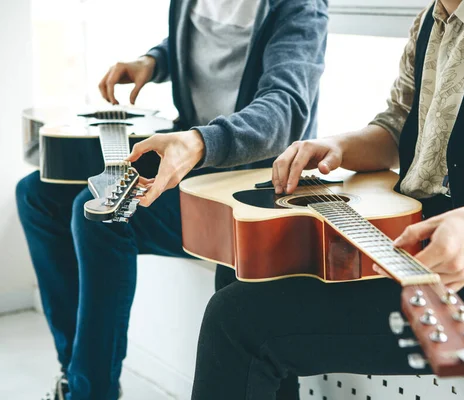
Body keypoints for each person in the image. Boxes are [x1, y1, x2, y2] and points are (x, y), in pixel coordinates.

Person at [190, 0, 464, 398]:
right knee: (249, 269)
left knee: (237, 320)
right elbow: (397, 128)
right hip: (423, 248)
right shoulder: (432, 17)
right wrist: (336, 145)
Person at [16, 1, 328, 399]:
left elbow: (285, 110)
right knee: (37, 194)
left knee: (97, 214)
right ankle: (74, 373)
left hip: (246, 180)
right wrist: (154, 61)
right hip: (189, 154)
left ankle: (89, 392)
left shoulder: (300, 7)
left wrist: (201, 142)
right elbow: (204, 40)